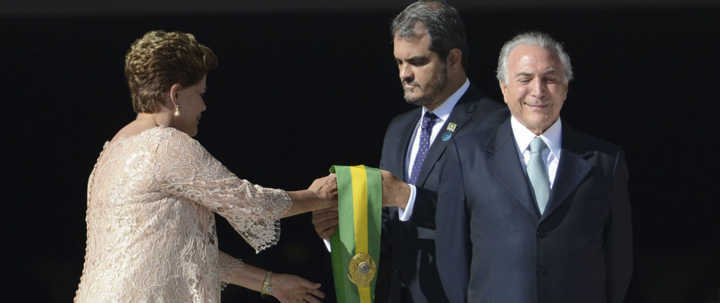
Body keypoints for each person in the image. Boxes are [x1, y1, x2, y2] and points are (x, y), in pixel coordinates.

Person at [73, 30, 337, 303]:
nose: (203, 105)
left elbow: (182, 252)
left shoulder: (113, 150)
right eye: (199, 93)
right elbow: (251, 203)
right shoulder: (165, 145)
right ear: (175, 95)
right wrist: (317, 197)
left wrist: (270, 284)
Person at [311, 1, 503, 302]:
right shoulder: (399, 129)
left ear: (453, 58)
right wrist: (340, 232)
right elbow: (388, 229)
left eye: (416, 61)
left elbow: (497, 222)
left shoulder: (496, 125)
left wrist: (406, 196)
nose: (404, 74)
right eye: (399, 62)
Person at [436, 31, 633, 303]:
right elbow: (451, 255)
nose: (538, 90)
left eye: (550, 79)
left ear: (565, 88)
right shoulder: (466, 156)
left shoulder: (605, 162)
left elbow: (619, 260)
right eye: (525, 79)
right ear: (504, 89)